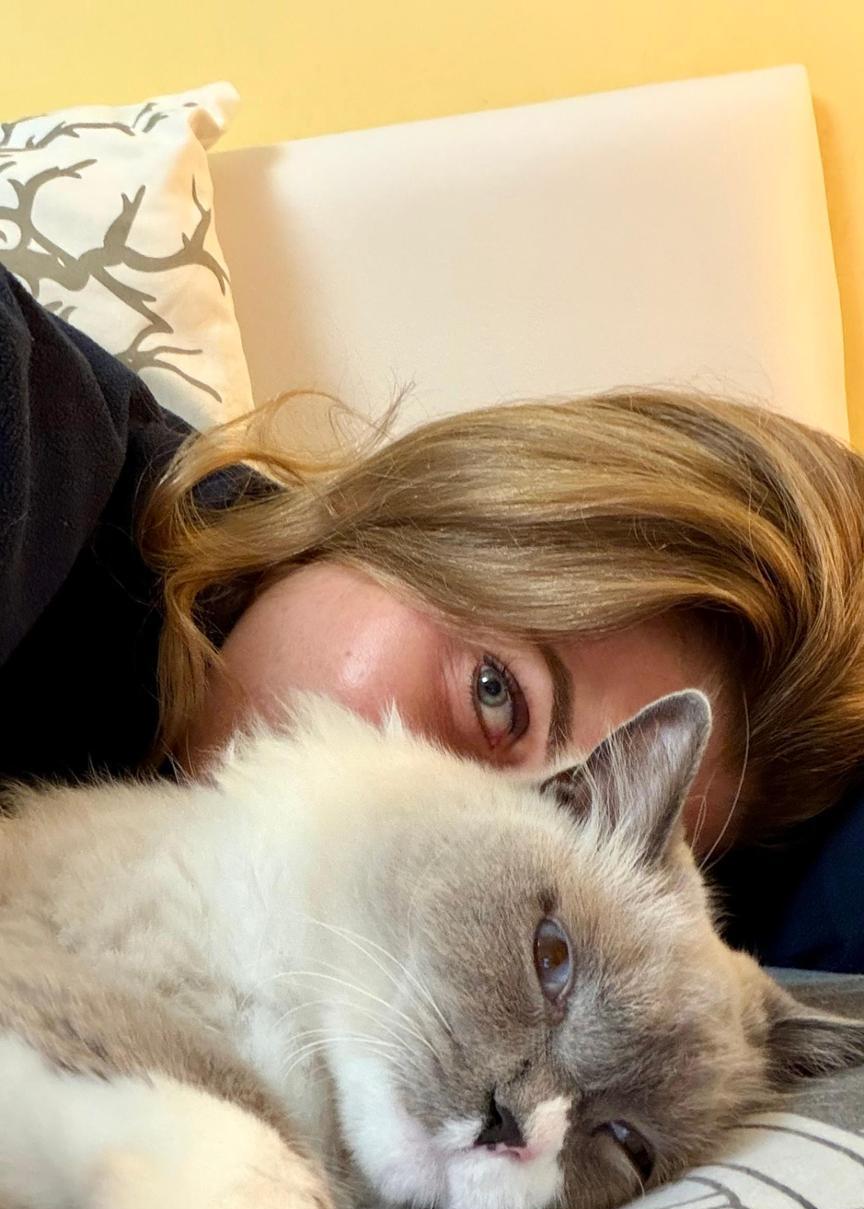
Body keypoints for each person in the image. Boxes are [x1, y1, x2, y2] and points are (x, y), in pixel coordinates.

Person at [2, 264, 864, 972]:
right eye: (495, 694)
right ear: (430, 507)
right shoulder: (34, 436)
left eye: (562, 836)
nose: (437, 863)